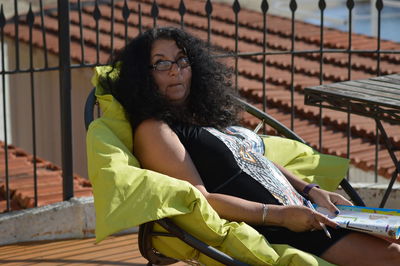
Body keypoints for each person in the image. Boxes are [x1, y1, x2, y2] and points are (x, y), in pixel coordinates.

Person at [101, 26, 400, 265]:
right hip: (281, 227)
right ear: (144, 75)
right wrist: (281, 216)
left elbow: (252, 158)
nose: (175, 70)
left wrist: (310, 190)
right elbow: (200, 199)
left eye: (182, 60)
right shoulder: (156, 130)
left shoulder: (202, 116)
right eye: (161, 63)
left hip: (303, 210)